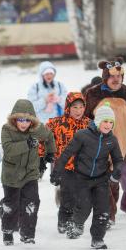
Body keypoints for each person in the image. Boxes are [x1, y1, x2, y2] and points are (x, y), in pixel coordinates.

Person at [84, 57, 126, 226]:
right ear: (105, 77)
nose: (116, 80)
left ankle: (110, 210)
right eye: (112, 77)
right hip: (99, 146)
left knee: (113, 182)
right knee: (103, 182)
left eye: (119, 77)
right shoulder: (93, 94)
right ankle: (107, 215)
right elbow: (82, 117)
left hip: (123, 148)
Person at [51, 102, 123, 249]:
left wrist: (117, 172)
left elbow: (118, 160)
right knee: (84, 207)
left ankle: (97, 239)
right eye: (105, 121)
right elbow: (66, 154)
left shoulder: (112, 140)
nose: (108, 125)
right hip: (82, 178)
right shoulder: (83, 136)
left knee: (103, 210)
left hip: (101, 179)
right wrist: (57, 172)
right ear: (98, 121)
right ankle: (75, 225)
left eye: (111, 122)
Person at [0, 99, 55, 246]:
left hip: (30, 173)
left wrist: (50, 152)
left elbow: (49, 136)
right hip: (11, 174)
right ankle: (8, 231)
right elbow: (9, 149)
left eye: (27, 120)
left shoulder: (37, 129)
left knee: (32, 202)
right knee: (12, 206)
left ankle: (28, 234)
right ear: (14, 119)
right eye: (20, 120)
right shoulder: (7, 130)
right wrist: (27, 144)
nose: (24, 123)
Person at [45, 92, 90, 233]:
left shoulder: (89, 124)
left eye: (81, 107)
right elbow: (43, 137)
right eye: (74, 107)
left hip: (84, 167)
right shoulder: (57, 123)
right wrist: (46, 154)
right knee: (68, 195)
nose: (78, 111)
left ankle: (76, 221)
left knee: (82, 197)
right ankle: (64, 221)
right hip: (65, 166)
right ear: (67, 107)